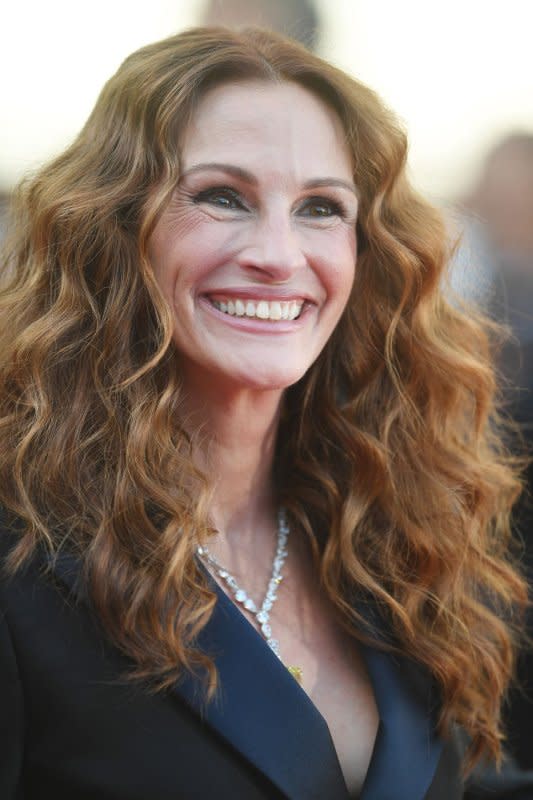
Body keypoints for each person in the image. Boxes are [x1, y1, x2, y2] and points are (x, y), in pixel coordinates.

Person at [0, 26, 532, 800]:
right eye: (222, 197)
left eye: (321, 207)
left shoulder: (390, 527)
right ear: (115, 227)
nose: (279, 254)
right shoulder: (24, 557)